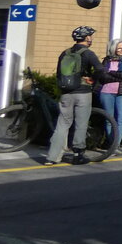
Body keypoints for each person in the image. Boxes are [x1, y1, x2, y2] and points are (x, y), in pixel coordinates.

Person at [43, 26, 104, 166]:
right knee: (81, 124)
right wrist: (92, 80)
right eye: (91, 36)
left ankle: (52, 157)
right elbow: (100, 70)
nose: (92, 38)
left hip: (66, 94)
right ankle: (78, 155)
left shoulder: (65, 53)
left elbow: (59, 74)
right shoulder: (88, 53)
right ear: (87, 38)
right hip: (83, 93)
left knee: (62, 124)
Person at [95, 39, 122, 155]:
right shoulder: (107, 60)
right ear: (114, 49)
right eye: (119, 48)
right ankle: (112, 146)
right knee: (109, 120)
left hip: (121, 92)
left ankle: (115, 144)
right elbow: (103, 77)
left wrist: (112, 73)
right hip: (106, 92)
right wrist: (120, 76)